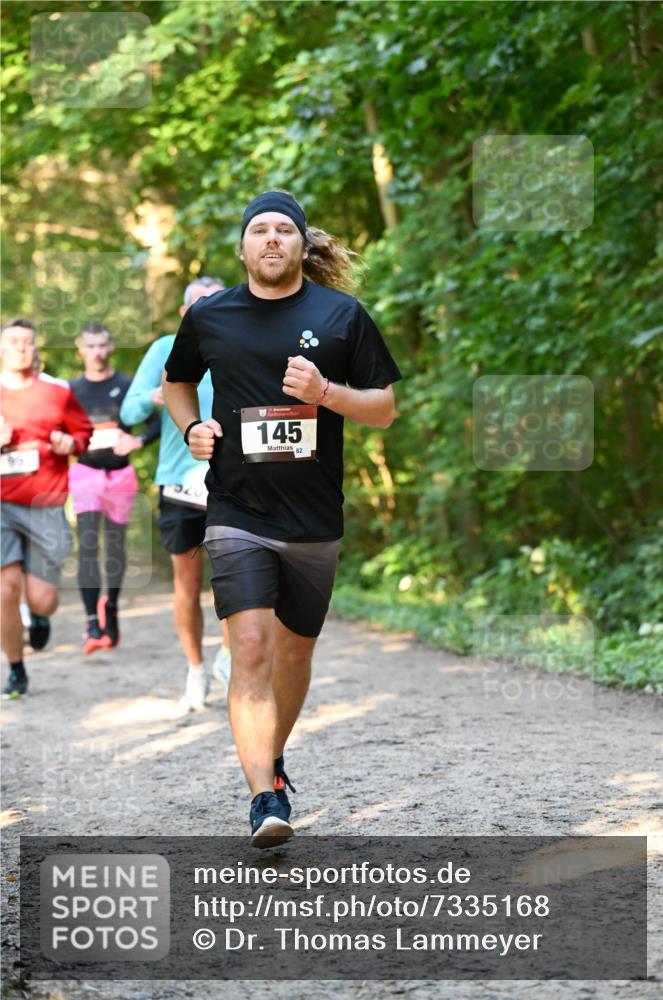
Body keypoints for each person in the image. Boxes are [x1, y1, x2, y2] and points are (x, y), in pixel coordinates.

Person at [163, 191, 401, 847]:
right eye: (259, 230)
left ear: (302, 246)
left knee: (295, 653)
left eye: (283, 231)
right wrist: (193, 428)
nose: (271, 239)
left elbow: (382, 408)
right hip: (236, 507)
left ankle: (270, 756)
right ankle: (264, 798)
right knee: (249, 649)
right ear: (242, 248)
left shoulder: (341, 315)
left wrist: (326, 394)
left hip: (314, 517)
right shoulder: (210, 317)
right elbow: (177, 382)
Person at [120, 278, 231, 712]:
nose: (210, 311)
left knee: (235, 579)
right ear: (186, 313)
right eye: (201, 305)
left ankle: (228, 658)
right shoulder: (166, 347)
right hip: (180, 482)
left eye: (218, 303)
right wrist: (157, 395)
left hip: (230, 481)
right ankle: (195, 669)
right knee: (187, 585)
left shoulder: (238, 344)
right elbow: (129, 412)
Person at [0, 317, 92, 698]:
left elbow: (83, 433)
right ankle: (16, 669)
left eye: (27, 341)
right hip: (1, 502)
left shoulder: (57, 391)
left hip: (46, 502)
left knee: (42, 597)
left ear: (35, 348)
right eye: (13, 341)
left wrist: (70, 444)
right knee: (5, 590)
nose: (21, 347)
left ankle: (38, 615)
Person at [69, 322, 161, 653]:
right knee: (89, 546)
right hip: (86, 473)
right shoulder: (71, 389)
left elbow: (156, 420)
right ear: (80, 348)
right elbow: (57, 428)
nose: (96, 352)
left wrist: (136, 441)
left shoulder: (126, 385)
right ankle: (91, 624)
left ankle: (111, 609)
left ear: (111, 348)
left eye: (102, 345)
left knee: (116, 549)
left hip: (120, 475)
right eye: (90, 346)